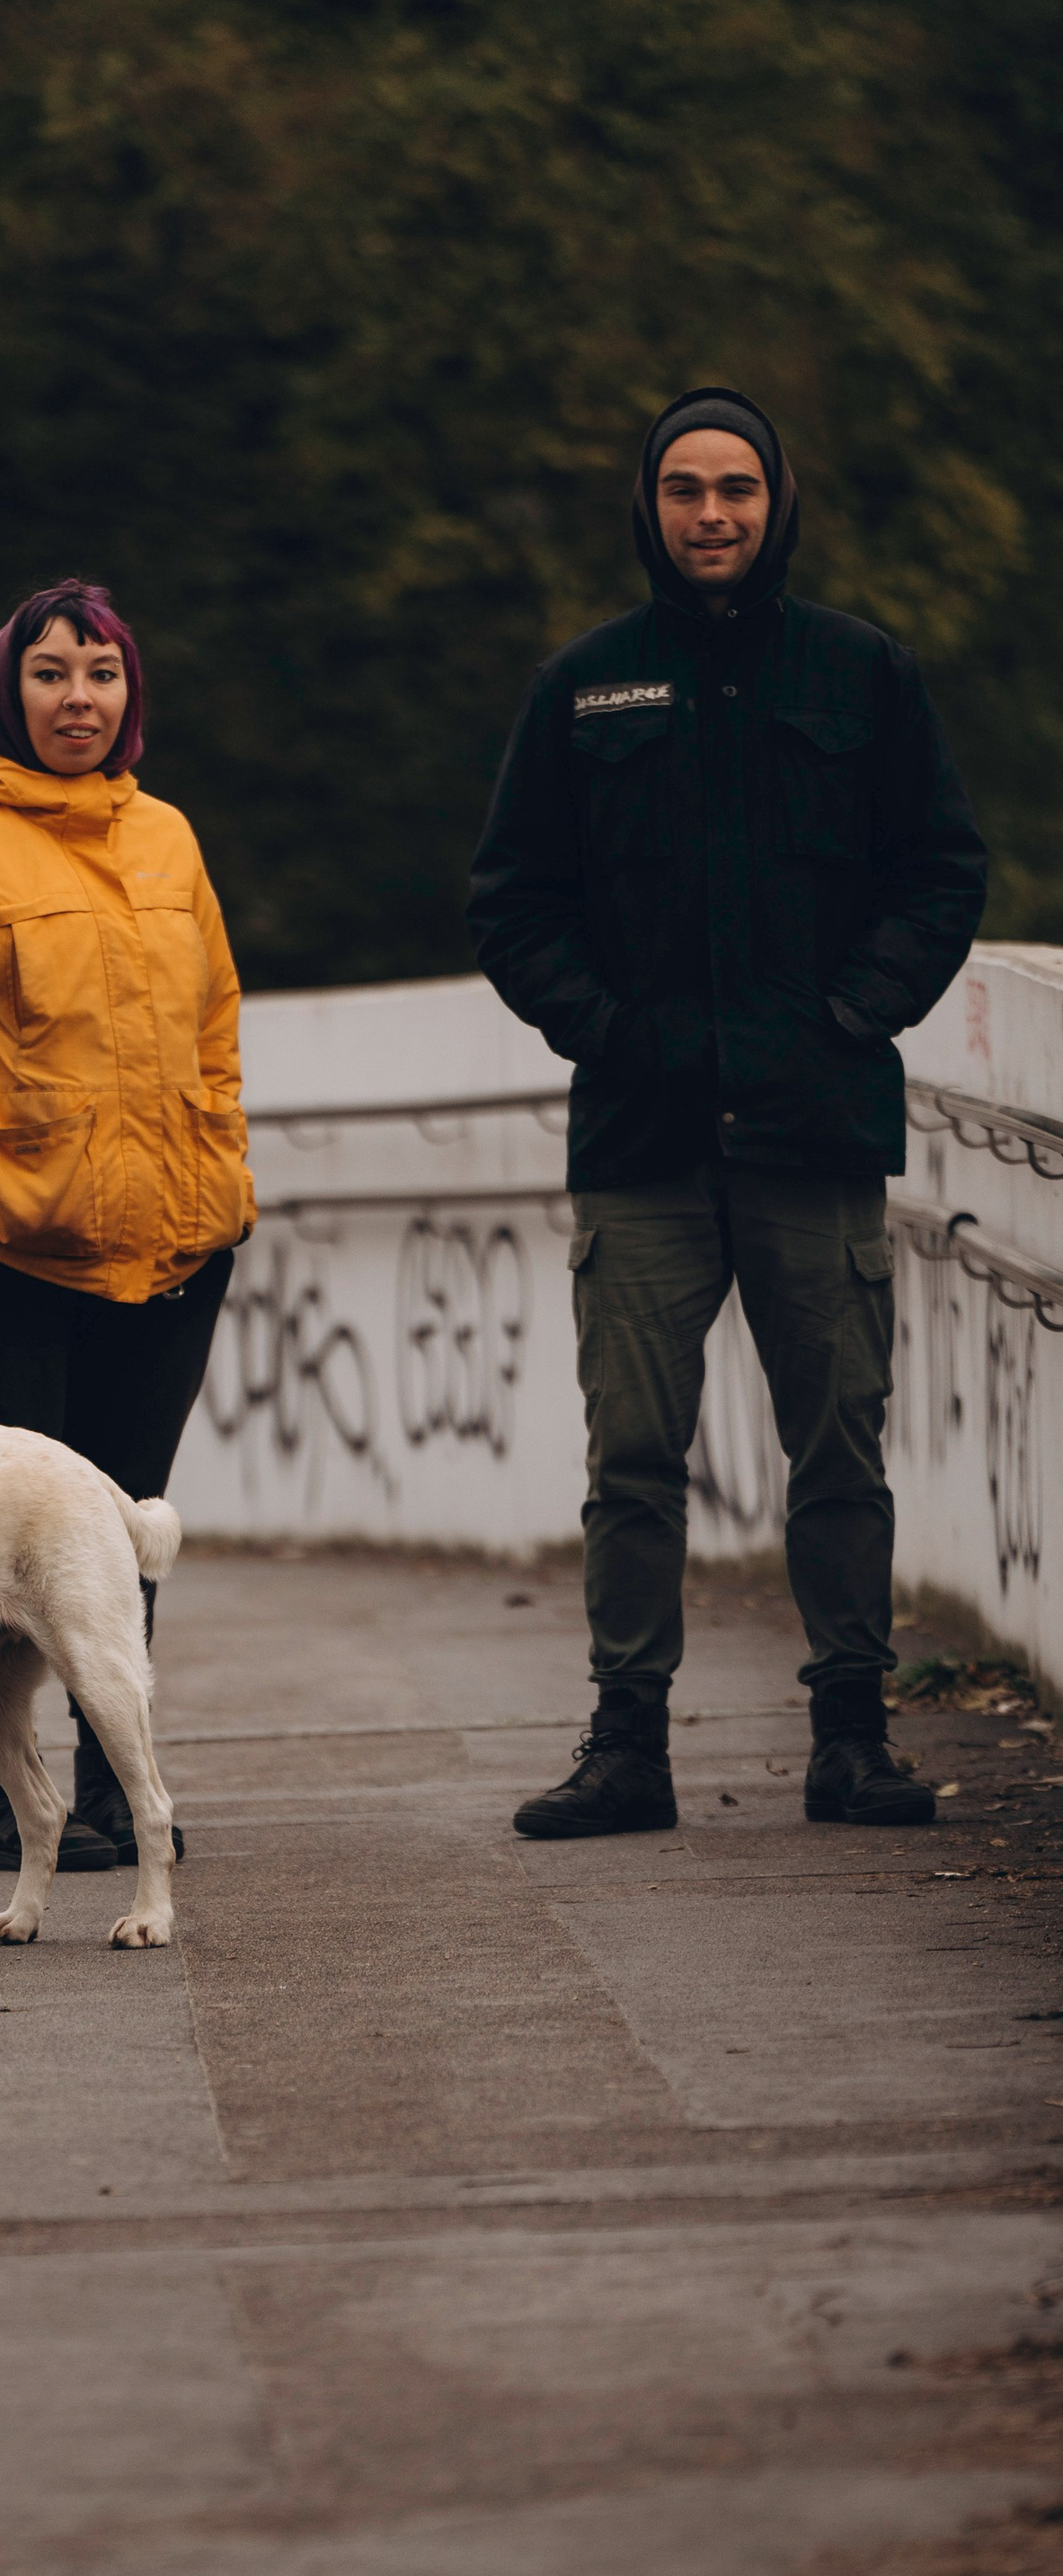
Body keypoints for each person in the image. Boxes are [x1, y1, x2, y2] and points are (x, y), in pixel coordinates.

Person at [469, 385, 987, 1838]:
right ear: (651, 508)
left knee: (839, 1446)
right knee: (632, 1456)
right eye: (688, 491)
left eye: (738, 491)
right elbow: (512, 899)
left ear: (777, 504)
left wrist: (847, 1015)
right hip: (641, 1144)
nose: (713, 515)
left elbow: (943, 870)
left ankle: (853, 1741)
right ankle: (626, 1747)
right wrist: (610, 1033)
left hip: (815, 1132)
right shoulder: (586, 687)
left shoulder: (860, 675)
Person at [0, 576, 253, 1868]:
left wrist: (220, 1186)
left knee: (127, 1529)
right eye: (52, 674)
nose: (78, 698)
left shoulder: (170, 838)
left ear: (131, 692)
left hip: (173, 1255)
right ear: (2, 692)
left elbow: (215, 1031)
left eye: (103, 674)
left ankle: (110, 1794)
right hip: (10, 1258)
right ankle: (5, 1806)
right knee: (3, 1542)